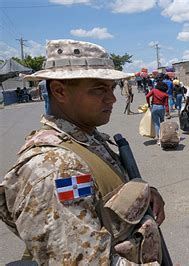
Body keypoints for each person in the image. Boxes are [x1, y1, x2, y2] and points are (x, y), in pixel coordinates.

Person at [0, 39, 165, 264]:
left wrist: (143, 196)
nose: (112, 98)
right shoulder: (56, 168)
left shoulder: (84, 137)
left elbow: (102, 193)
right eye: (99, 90)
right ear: (59, 91)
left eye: (112, 88)